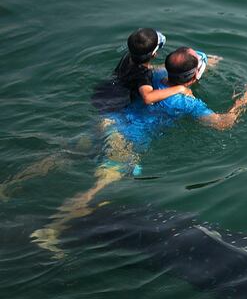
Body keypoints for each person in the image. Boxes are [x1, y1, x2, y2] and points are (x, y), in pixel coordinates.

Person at [30, 46, 247, 255]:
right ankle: (52, 230)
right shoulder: (187, 101)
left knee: (61, 157)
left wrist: (205, 65)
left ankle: (9, 187)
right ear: (194, 77)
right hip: (125, 142)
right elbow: (223, 124)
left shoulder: (154, 76)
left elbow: (173, 70)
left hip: (109, 123)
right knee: (96, 188)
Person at [1, 28, 195, 201]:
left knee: (65, 155)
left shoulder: (128, 59)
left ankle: (11, 184)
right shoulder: (143, 76)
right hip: (117, 112)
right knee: (112, 173)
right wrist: (178, 88)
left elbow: (145, 70)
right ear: (154, 54)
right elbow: (147, 97)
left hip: (104, 104)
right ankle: (78, 205)